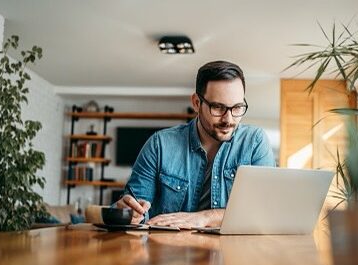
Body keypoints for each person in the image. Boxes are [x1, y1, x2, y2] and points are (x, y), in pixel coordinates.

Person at [114, 60, 275, 228]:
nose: (229, 119)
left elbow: (265, 210)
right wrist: (128, 212)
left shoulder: (255, 142)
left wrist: (205, 218)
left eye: (237, 107)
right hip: (167, 250)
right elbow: (133, 207)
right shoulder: (159, 145)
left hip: (233, 252)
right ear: (197, 103)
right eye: (218, 108)